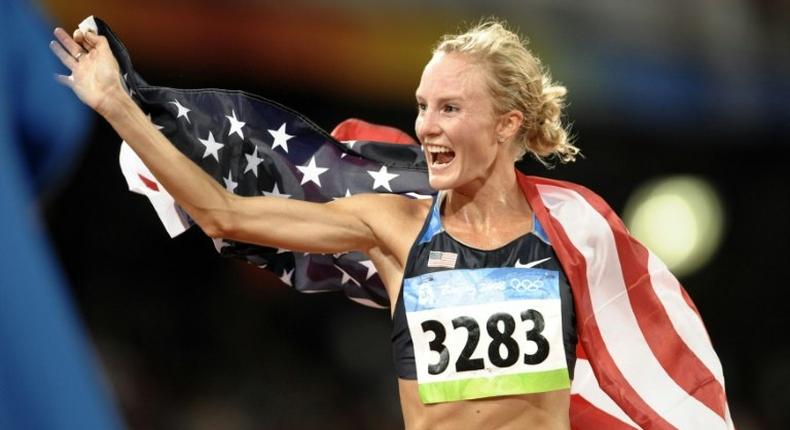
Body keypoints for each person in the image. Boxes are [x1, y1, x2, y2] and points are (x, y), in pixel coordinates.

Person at [50, 18, 731, 430]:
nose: (425, 127)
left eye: (449, 109)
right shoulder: (394, 226)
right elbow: (224, 213)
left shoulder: (573, 229)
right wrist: (116, 105)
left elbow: (634, 357)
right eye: (422, 106)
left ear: (506, 123)